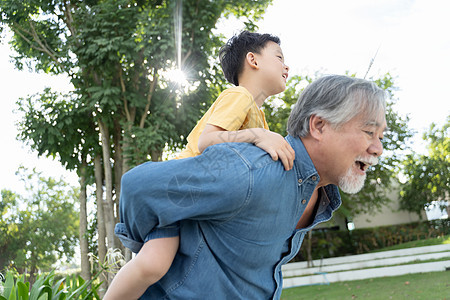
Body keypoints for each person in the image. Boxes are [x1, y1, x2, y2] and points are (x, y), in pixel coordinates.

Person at [105, 75, 387, 299]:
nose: (378, 149)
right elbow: (138, 185)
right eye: (368, 132)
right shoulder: (252, 170)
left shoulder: (318, 192)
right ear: (319, 126)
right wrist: (160, 243)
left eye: (381, 136)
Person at [104, 30, 294, 299]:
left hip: (197, 204)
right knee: (152, 265)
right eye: (279, 57)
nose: (286, 66)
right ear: (253, 60)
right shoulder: (239, 96)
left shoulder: (258, 116)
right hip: (178, 193)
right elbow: (208, 141)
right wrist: (259, 135)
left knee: (167, 271)